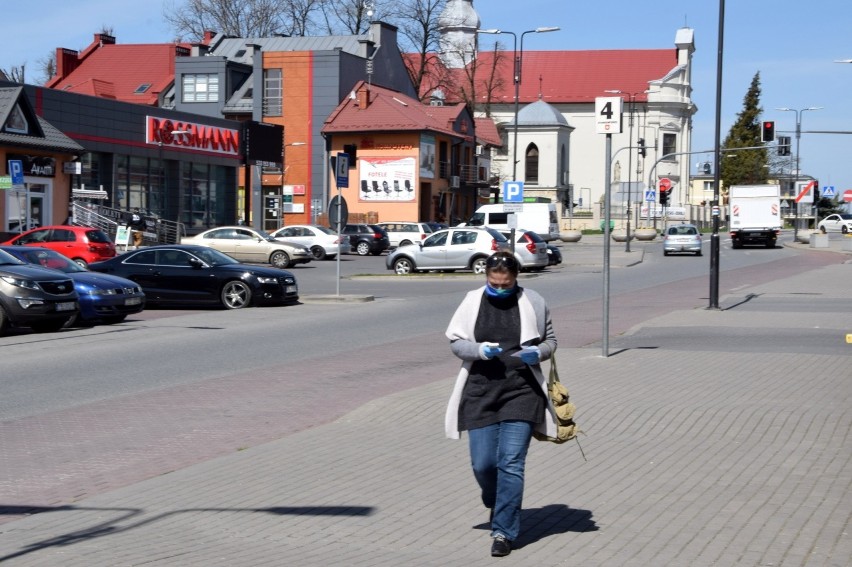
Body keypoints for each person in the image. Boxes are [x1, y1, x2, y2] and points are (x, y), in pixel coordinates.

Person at [444, 250, 558, 557]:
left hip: (522, 391)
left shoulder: (533, 301)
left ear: (516, 278)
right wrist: (479, 350)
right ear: (486, 277)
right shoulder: (472, 301)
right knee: (483, 464)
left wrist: (541, 353)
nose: (500, 288)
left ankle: (504, 531)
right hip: (481, 390)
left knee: (511, 462)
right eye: (494, 283)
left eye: (506, 284)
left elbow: (550, 340)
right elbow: (456, 343)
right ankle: (495, 499)